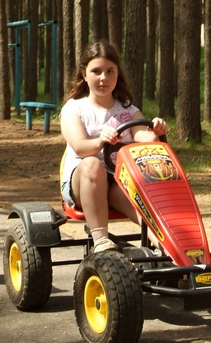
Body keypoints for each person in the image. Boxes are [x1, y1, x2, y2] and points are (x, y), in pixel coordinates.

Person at [60, 40, 167, 253]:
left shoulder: (128, 110)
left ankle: (168, 249)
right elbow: (80, 147)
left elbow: (146, 140)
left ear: (118, 74)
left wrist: (156, 129)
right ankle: (101, 240)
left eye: (110, 71)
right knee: (92, 164)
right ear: (84, 74)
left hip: (119, 181)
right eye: (96, 71)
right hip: (83, 182)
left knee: (139, 197)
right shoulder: (75, 108)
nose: (104, 78)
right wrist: (100, 141)